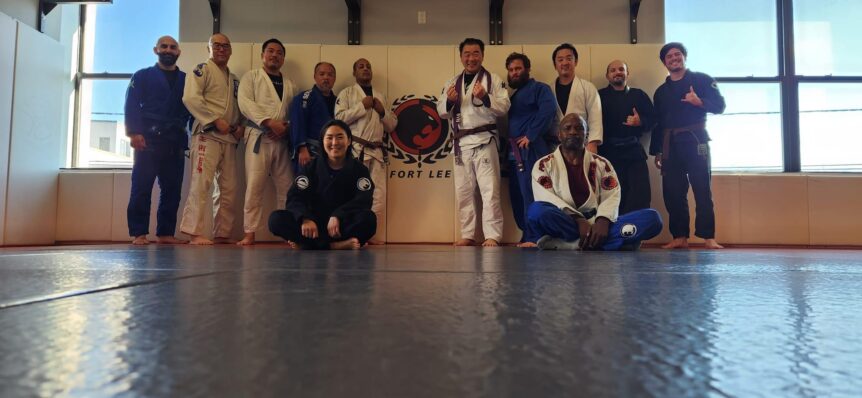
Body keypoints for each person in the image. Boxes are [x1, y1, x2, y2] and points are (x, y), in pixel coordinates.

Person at [528, 114, 662, 250]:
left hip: (597, 224)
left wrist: (603, 220)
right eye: (567, 128)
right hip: (566, 223)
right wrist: (578, 219)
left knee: (653, 219)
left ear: (586, 136)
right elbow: (547, 199)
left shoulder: (602, 164)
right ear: (559, 135)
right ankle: (606, 242)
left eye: (579, 128)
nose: (573, 132)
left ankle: (571, 244)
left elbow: (611, 195)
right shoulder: (544, 165)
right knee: (536, 211)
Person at [649, 42, 726, 249]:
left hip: (696, 140)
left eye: (677, 54)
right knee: (673, 191)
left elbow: (720, 106)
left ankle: (708, 237)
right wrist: (657, 150)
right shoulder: (661, 92)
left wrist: (699, 102)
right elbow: (658, 123)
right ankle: (679, 236)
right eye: (669, 56)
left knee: (702, 188)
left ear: (684, 57)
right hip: (670, 145)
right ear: (664, 63)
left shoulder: (702, 80)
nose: (674, 58)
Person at [437, 38, 510, 247]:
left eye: (475, 53)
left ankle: (492, 235)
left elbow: (504, 106)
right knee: (463, 192)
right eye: (467, 54)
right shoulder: (452, 82)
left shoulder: (493, 80)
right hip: (461, 144)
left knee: (490, 191)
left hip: (485, 140)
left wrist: (486, 97)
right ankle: (468, 234)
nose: (471, 58)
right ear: (461, 57)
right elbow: (441, 111)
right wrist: (449, 101)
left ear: (482, 55)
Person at [268, 119, 377, 250]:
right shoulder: (310, 168)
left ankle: (309, 244)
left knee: (369, 219)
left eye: (340, 137)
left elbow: (363, 200)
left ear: (349, 141)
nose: (334, 143)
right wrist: (305, 218)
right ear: (322, 141)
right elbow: (295, 197)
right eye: (329, 138)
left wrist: (338, 215)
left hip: (341, 226)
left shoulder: (359, 170)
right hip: (314, 226)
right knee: (276, 219)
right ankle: (335, 245)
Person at [124, 35, 191, 245]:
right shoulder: (142, 76)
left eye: (172, 47)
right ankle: (139, 233)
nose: (168, 50)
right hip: (147, 138)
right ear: (156, 50)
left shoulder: (187, 80)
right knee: (141, 187)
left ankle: (165, 233)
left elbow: (193, 108)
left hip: (175, 139)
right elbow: (131, 104)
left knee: (172, 189)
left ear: (178, 52)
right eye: (164, 46)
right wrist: (134, 133)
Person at [179, 33, 243, 245]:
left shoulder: (234, 79)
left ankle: (223, 233)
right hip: (207, 134)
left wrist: (239, 126)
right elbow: (190, 98)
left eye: (226, 46)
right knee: (201, 184)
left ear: (231, 50)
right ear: (208, 49)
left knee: (229, 188)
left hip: (229, 138)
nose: (221, 49)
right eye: (216, 45)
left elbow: (238, 107)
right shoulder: (202, 70)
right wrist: (214, 120)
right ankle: (193, 233)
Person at [236, 38, 298, 246]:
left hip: (281, 140)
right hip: (259, 136)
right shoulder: (251, 77)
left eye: (279, 52)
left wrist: (286, 128)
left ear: (283, 59)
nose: (275, 55)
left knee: (287, 186)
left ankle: (287, 232)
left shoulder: (290, 84)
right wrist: (269, 123)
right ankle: (249, 233)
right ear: (262, 55)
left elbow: (294, 112)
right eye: (270, 51)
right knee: (254, 185)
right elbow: (245, 104)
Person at [335, 58, 397, 245]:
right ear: (354, 73)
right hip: (356, 150)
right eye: (361, 67)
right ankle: (352, 233)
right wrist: (362, 106)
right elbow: (338, 119)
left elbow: (392, 125)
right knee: (353, 194)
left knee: (378, 195)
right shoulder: (347, 93)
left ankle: (371, 234)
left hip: (377, 151)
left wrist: (382, 111)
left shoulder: (381, 96)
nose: (365, 69)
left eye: (368, 66)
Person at [504, 52, 557, 248]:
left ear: (527, 69)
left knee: (530, 193)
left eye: (518, 68)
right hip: (514, 151)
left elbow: (548, 110)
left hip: (531, 149)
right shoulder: (514, 96)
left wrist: (531, 135)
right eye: (511, 70)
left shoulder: (540, 89)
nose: (514, 72)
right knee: (517, 195)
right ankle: (526, 233)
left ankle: (535, 236)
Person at [598, 60, 656, 214]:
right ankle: (614, 229)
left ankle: (637, 229)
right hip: (608, 153)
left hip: (634, 152)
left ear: (627, 73)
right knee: (611, 196)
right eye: (613, 70)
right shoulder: (599, 96)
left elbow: (654, 120)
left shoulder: (639, 95)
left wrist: (640, 122)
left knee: (640, 195)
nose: (617, 72)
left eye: (621, 69)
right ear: (607, 76)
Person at [550, 43, 603, 153]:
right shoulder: (548, 90)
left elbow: (595, 118)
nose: (565, 63)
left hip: (582, 145)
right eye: (560, 60)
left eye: (569, 58)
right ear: (555, 65)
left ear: (576, 62)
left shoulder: (588, 87)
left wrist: (593, 143)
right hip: (555, 146)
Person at [289, 62, 337, 171]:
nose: (326, 78)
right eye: (322, 74)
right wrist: (302, 148)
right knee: (308, 181)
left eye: (330, 75)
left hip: (331, 151)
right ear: (315, 77)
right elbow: (297, 123)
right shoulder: (304, 98)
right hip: (309, 151)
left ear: (334, 79)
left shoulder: (339, 101)